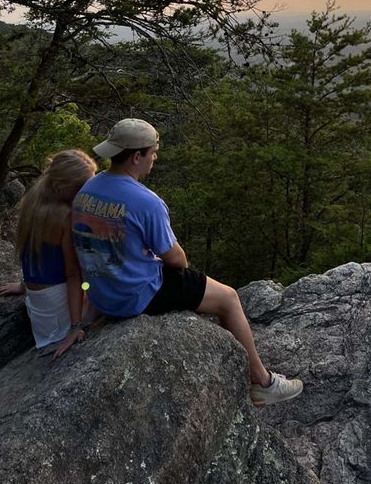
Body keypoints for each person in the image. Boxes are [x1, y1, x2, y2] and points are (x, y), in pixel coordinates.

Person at [71, 118, 302, 406]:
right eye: (153, 152)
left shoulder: (87, 190)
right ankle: (262, 381)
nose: (155, 158)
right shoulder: (146, 201)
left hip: (101, 295)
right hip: (134, 296)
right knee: (228, 298)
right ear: (136, 156)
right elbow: (177, 260)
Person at [0, 149, 97, 359]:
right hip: (58, 312)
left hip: (38, 305)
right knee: (98, 285)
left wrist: (24, 285)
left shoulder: (33, 200)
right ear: (64, 187)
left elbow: (34, 253)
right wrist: (75, 326)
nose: (89, 191)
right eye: (83, 187)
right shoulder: (65, 216)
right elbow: (73, 275)